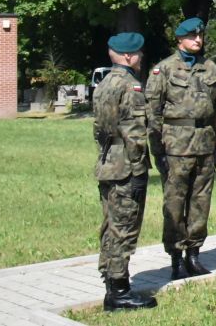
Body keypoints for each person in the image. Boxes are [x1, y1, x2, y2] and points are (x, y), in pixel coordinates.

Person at [146, 17, 216, 280]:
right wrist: (158, 151)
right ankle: (176, 258)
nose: (198, 40)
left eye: (200, 36)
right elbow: (153, 113)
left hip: (205, 143)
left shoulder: (210, 68)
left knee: (201, 201)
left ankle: (194, 254)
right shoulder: (164, 70)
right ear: (179, 39)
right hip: (176, 146)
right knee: (175, 203)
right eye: (192, 36)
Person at [93, 32, 157, 311]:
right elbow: (135, 132)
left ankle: (111, 281)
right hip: (126, 166)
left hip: (108, 161)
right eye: (138, 53)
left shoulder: (104, 83)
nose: (141, 57)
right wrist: (139, 169)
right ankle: (119, 291)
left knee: (110, 225)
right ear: (129, 56)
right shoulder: (131, 86)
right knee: (124, 227)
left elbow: (99, 129)